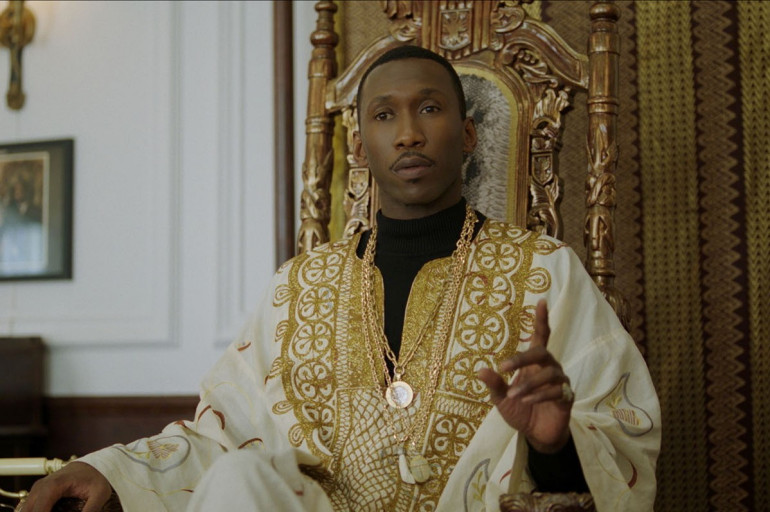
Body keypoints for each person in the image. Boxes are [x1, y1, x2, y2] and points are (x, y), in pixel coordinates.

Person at [22, 45, 660, 512]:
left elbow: (622, 438)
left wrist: (554, 446)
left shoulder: (546, 271)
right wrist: (107, 472)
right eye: (384, 115)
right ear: (359, 148)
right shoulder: (300, 285)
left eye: (429, 108)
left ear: (467, 134)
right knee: (238, 479)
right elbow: (223, 436)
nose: (408, 133)